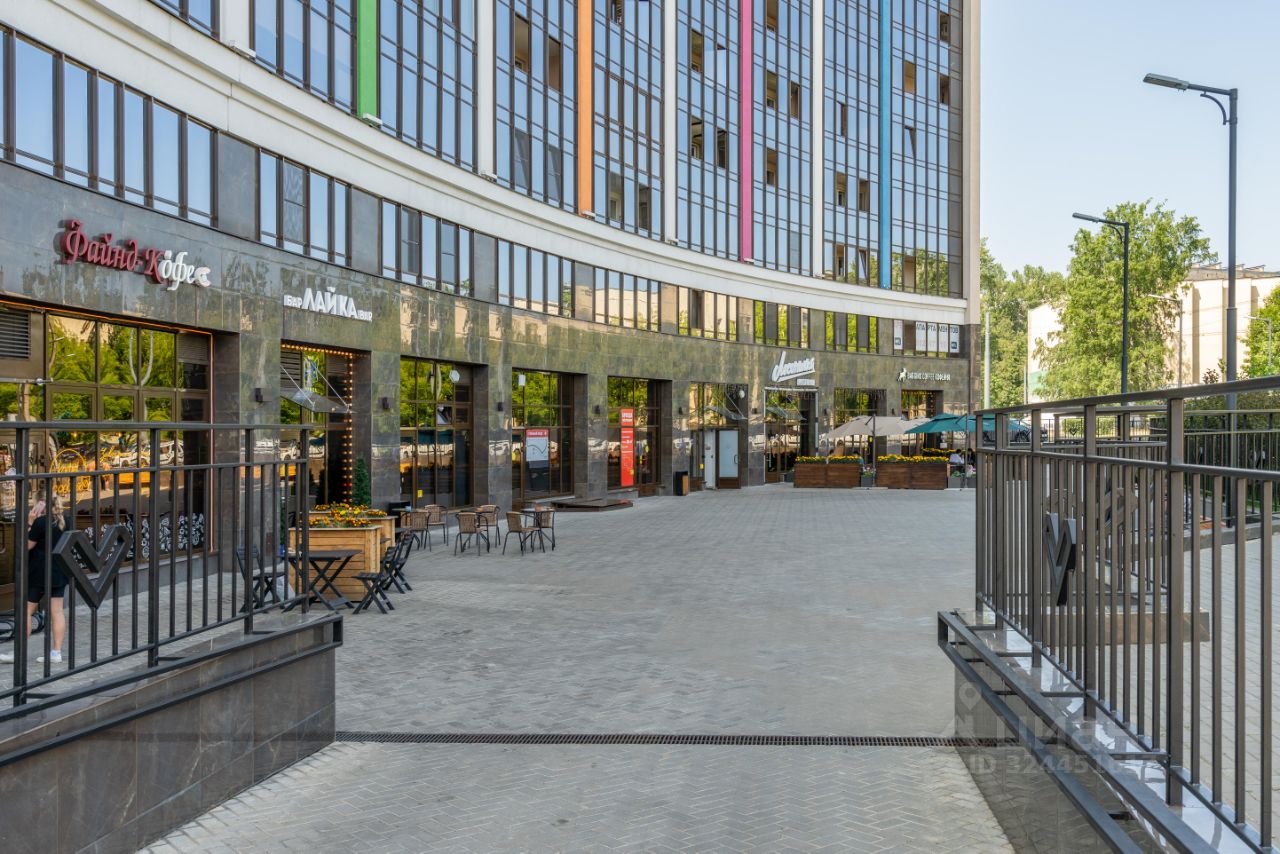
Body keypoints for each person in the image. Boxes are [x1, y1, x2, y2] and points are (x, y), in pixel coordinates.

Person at [0, 495, 68, 665]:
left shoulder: (40, 522)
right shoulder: (66, 521)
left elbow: (25, 546)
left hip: (40, 573)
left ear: (41, 504)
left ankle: (19, 653)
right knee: (57, 611)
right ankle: (56, 653)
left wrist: (30, 522)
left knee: (26, 611)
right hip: (60, 571)